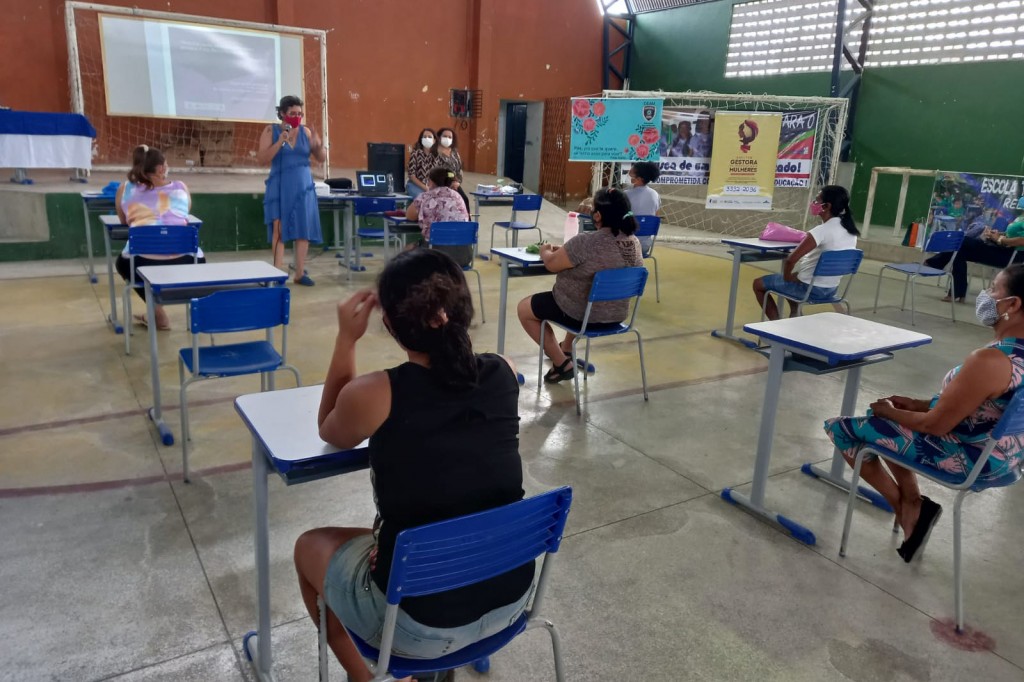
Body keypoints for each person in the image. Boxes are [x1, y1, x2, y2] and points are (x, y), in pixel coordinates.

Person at [293, 249, 533, 682]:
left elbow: (330, 429)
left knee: (309, 546)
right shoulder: (504, 372)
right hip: (511, 602)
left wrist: (346, 339)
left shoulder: (376, 393)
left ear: (389, 325)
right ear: (465, 311)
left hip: (418, 626)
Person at [824, 265, 1024, 562]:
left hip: (969, 460)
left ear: (1012, 304)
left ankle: (908, 510)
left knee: (843, 429)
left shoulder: (992, 360)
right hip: (1006, 460)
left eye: (993, 289)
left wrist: (890, 413)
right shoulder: (1013, 354)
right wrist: (918, 404)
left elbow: (935, 425)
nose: (985, 296)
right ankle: (913, 501)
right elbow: (982, 409)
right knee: (886, 422)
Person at [517, 188, 643, 383]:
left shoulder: (587, 241)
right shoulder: (633, 242)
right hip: (616, 315)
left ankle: (561, 364)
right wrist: (567, 251)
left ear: (598, 215)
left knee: (525, 309)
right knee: (582, 296)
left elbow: (551, 264)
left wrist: (544, 251)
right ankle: (566, 349)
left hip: (583, 316)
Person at [114, 145, 204, 331]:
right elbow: (184, 214)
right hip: (187, 259)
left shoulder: (125, 189)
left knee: (122, 263)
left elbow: (124, 221)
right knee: (191, 252)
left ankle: (156, 311)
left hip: (141, 261)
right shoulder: (180, 188)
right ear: (162, 168)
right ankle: (161, 312)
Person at [753, 185, 859, 320]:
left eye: (817, 201)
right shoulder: (851, 231)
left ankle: (775, 324)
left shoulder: (821, 231)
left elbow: (791, 260)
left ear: (827, 206)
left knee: (759, 284)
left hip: (810, 290)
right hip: (831, 289)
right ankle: (794, 314)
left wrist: (787, 277)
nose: (813, 204)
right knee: (796, 277)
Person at [257, 94, 327, 286]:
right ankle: (278, 273)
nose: (297, 116)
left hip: (303, 186)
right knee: (279, 228)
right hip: (280, 185)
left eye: (299, 113)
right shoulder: (270, 131)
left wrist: (318, 146)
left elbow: (321, 158)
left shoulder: (306, 132)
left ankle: (299, 273)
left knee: (302, 229)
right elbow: (262, 159)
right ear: (282, 113)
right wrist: (280, 141)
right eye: (292, 113)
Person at [925, 201, 1024, 303]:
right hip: (1002, 248)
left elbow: (1022, 241)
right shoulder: (1020, 217)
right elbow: (1011, 234)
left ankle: (935, 264)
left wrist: (999, 239)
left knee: (962, 242)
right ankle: (957, 292)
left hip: (1012, 256)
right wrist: (997, 234)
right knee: (960, 250)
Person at [405, 166, 472, 265]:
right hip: (464, 255)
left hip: (436, 257)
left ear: (431, 182)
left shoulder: (425, 196)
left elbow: (409, 216)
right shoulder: (458, 197)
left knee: (407, 250)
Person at [432, 127, 471, 212]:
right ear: (439, 137)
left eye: (450, 137)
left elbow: (459, 170)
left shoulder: (454, 152)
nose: (447, 139)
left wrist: (457, 182)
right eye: (445, 136)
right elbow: (433, 171)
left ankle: (467, 222)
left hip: (454, 183)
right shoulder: (434, 152)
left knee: (464, 199)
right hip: (440, 183)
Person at [405, 127, 436, 199]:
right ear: (421, 139)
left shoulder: (435, 156)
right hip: (415, 185)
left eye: (429, 137)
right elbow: (412, 176)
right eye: (424, 137)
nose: (427, 138)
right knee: (424, 199)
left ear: (434, 140)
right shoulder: (415, 154)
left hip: (431, 187)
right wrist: (425, 188)